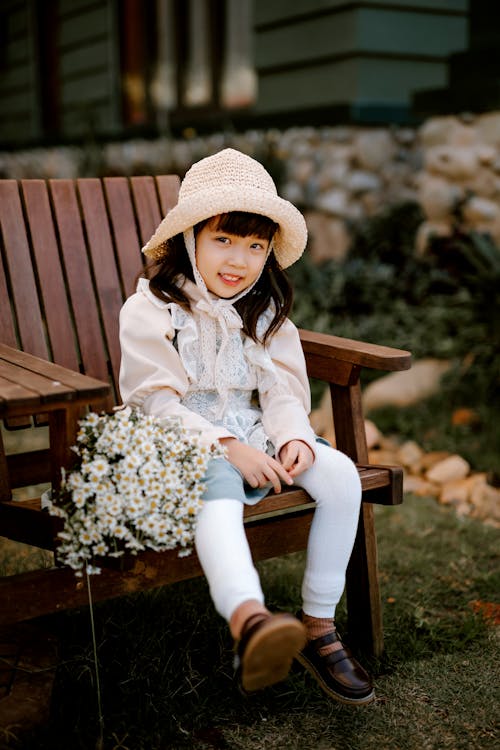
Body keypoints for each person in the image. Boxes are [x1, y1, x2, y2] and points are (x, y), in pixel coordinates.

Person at [119, 148, 374, 705]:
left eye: (256, 246)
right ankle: (250, 619)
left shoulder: (264, 312)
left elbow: (282, 392)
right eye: (223, 240)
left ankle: (317, 626)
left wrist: (292, 438)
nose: (239, 259)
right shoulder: (152, 310)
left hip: (252, 433)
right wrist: (226, 445)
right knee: (219, 485)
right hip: (177, 438)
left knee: (340, 476)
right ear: (190, 240)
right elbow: (152, 401)